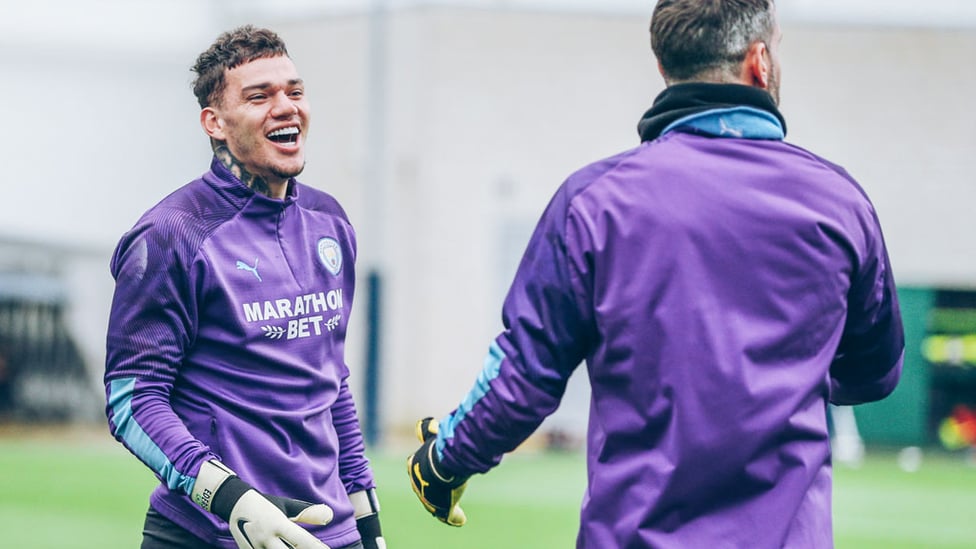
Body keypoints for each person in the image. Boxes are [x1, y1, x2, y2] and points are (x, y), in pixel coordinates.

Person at [407, 1, 905, 547]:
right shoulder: (838, 202)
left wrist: (445, 460)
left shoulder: (594, 202)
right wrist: (773, 374)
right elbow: (873, 372)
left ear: (665, 67)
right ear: (760, 62)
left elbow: (523, 377)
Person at [104, 25, 384, 549]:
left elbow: (331, 382)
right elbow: (132, 398)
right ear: (215, 122)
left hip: (330, 534)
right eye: (260, 96)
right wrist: (235, 500)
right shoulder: (171, 235)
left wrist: (368, 524)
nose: (286, 107)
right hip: (207, 533)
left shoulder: (330, 221)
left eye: (294, 92)